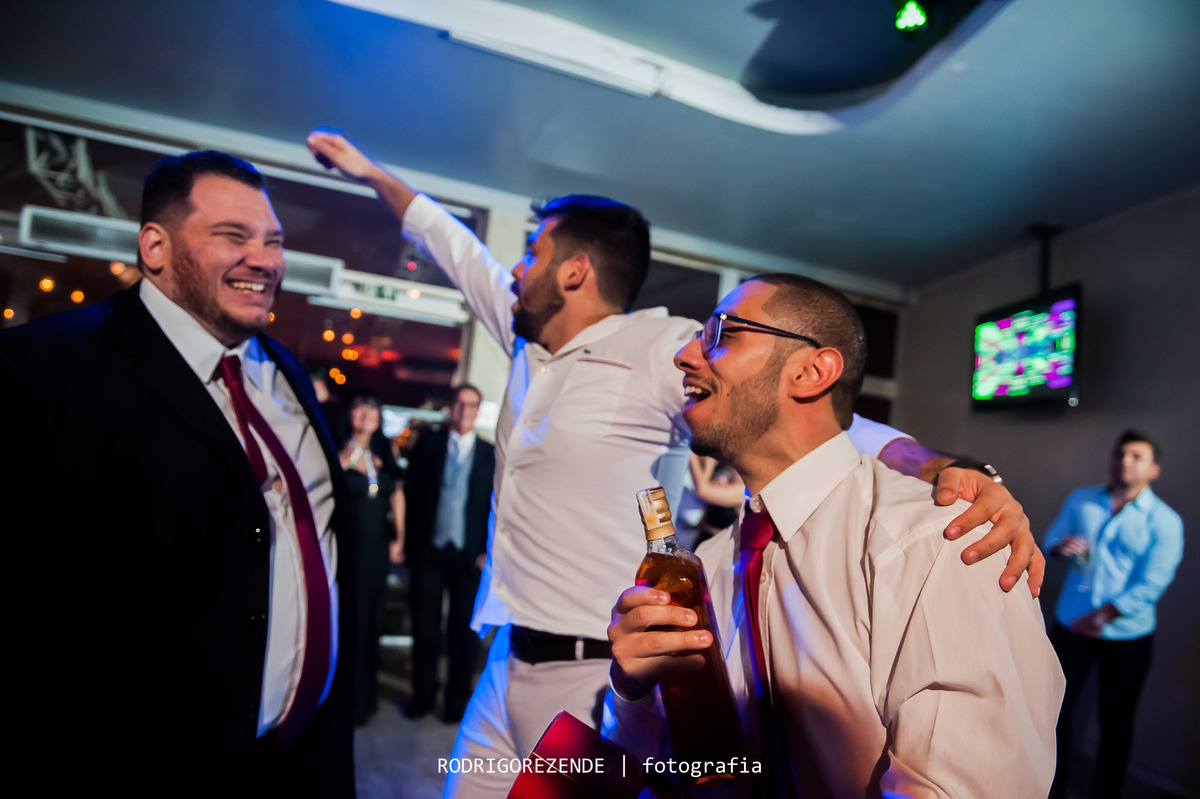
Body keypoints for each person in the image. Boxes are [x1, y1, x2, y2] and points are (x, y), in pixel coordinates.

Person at [305, 130, 1043, 797]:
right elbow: (452, 247)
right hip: (506, 657)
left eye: (532, 251)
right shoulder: (529, 345)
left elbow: (824, 420)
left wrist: (951, 469)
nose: (514, 269)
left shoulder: (658, 350)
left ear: (575, 273)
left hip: (594, 667)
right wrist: (371, 172)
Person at [606, 274, 1064, 797]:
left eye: (722, 333)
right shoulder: (709, 565)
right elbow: (667, 770)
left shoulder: (936, 541)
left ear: (811, 371)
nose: (685, 354)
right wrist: (634, 693)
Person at [0, 151, 354, 798]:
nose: (266, 259)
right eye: (233, 235)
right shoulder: (45, 373)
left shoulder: (289, 375)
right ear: (155, 247)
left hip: (298, 757)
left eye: (273, 240)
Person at [1043, 430, 1183, 799]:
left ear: (1153, 469)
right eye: (1121, 454)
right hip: (1071, 624)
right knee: (1053, 711)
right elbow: (1050, 539)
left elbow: (1152, 583)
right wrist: (1059, 547)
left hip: (1127, 637)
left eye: (1137, 456)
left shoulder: (1165, 521)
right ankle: (1050, 790)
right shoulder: (1082, 500)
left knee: (1116, 722)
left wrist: (1102, 617)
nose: (1126, 460)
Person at [403, 384, 496, 723]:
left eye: (471, 405)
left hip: (470, 555)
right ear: (450, 408)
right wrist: (411, 545)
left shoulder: (490, 453)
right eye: (459, 404)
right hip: (430, 548)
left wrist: (488, 550)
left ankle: (457, 700)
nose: (464, 410)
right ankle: (423, 694)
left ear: (478, 410)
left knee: (463, 630)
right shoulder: (428, 444)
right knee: (424, 627)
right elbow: (412, 496)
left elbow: (498, 507)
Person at [336, 390, 404, 727]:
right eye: (360, 407)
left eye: (373, 408)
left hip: (377, 547)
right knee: (349, 618)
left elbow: (397, 494)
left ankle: (365, 696)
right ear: (350, 412)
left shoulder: (385, 448)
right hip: (348, 546)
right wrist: (345, 459)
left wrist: (400, 537)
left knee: (371, 618)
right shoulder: (339, 447)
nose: (367, 414)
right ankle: (343, 697)